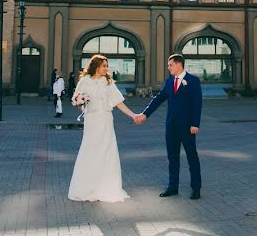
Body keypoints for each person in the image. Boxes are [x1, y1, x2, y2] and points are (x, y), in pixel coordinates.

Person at [67, 54, 139, 202]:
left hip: (106, 119)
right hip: (92, 120)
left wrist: (133, 115)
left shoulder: (108, 82)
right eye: (104, 66)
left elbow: (118, 102)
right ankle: (86, 188)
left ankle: (107, 187)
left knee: (107, 151)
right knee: (90, 151)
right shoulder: (84, 81)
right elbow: (76, 99)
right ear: (96, 66)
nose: (107, 68)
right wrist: (81, 104)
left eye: (107, 66)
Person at [135, 54, 203, 200]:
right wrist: (144, 114)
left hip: (187, 127)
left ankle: (196, 188)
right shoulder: (169, 81)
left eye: (170, 65)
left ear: (179, 64)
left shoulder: (193, 81)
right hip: (171, 126)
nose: (168, 68)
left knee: (192, 157)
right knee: (172, 158)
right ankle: (173, 188)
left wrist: (195, 124)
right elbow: (158, 99)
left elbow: (197, 104)